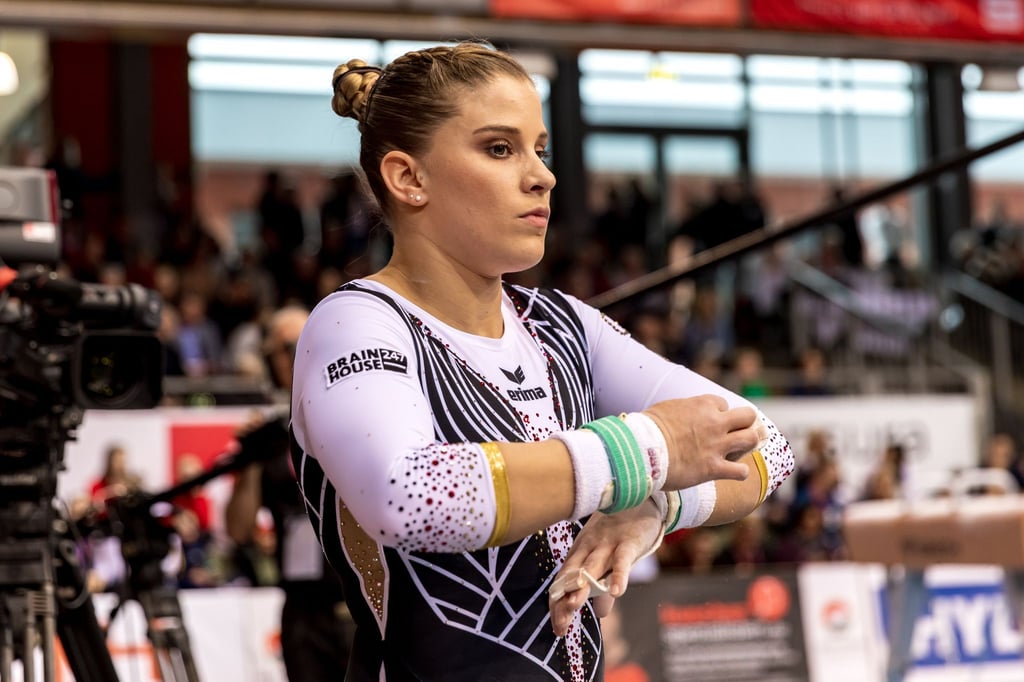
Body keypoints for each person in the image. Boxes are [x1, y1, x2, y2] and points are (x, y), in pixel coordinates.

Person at [290, 41, 794, 681]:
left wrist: (654, 507)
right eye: (501, 149)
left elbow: (767, 445)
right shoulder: (355, 321)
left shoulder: (564, 324)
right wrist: (647, 449)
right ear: (408, 178)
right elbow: (408, 497)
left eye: (540, 150)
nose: (542, 177)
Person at [225, 305, 352, 681]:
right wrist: (249, 464)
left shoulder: (351, 409)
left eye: (294, 345)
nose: (287, 358)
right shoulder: (271, 431)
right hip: (300, 608)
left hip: (354, 600)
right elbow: (237, 529)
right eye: (277, 351)